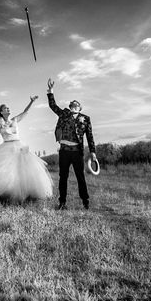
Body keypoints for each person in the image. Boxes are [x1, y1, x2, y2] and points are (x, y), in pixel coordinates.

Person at [0, 89, 53, 202]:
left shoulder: (15, 119)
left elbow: (25, 112)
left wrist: (31, 102)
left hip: (19, 146)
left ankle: (28, 194)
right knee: (6, 173)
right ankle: (5, 194)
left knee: (24, 170)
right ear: (1, 112)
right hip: (6, 148)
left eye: (8, 108)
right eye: (6, 108)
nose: (8, 109)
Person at [47, 78, 96, 210]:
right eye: (72, 103)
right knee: (63, 177)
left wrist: (93, 152)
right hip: (64, 151)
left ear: (80, 107)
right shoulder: (64, 114)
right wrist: (51, 91)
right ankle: (62, 202)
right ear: (70, 107)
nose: (74, 103)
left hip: (77, 152)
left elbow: (90, 136)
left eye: (77, 103)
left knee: (80, 177)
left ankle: (85, 201)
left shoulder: (85, 118)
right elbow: (53, 106)